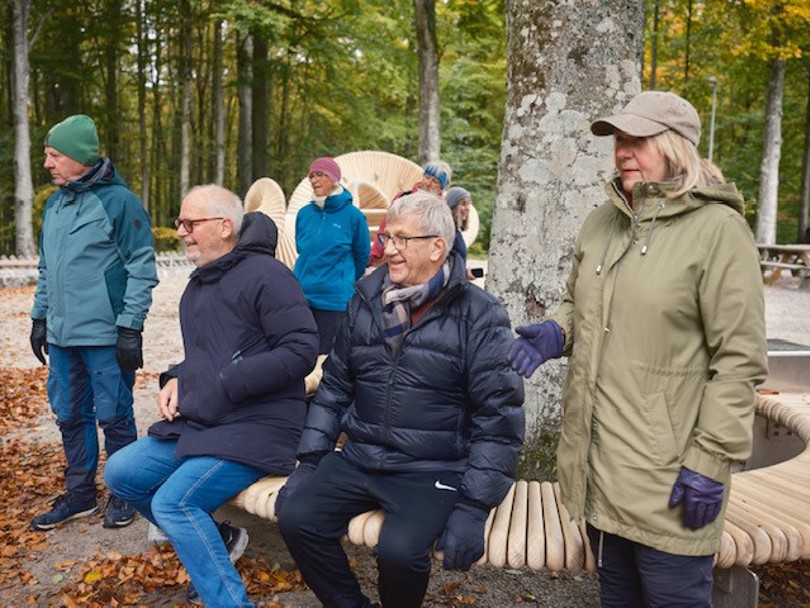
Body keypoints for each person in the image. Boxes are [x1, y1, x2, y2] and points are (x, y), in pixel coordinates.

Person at [507, 91, 768, 607]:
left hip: (670, 480)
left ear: (675, 146)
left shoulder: (718, 232)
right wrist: (559, 331)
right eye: (619, 140)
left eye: (637, 140)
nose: (623, 151)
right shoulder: (603, 223)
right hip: (599, 474)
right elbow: (580, 305)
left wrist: (710, 461)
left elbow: (739, 362)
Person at [277, 191, 524, 608]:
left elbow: (498, 419)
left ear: (436, 247)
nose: (387, 248)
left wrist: (474, 506)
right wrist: (311, 458)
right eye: (387, 237)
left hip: (432, 467)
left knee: (399, 551)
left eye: (401, 239)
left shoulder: (480, 314)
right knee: (297, 520)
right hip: (360, 456)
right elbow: (335, 386)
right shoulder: (366, 300)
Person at [104, 185, 319, 608]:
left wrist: (228, 379)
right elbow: (204, 356)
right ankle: (220, 538)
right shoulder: (200, 285)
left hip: (260, 424)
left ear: (224, 227)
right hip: (209, 419)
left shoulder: (268, 275)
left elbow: (301, 349)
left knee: (175, 502)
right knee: (122, 471)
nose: (181, 231)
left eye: (191, 223)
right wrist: (175, 379)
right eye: (180, 222)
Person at [30, 114, 158, 531]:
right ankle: (81, 495)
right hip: (64, 337)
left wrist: (130, 327)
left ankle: (125, 492)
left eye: (54, 155)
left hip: (105, 335)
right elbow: (47, 268)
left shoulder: (119, 203)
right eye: (47, 154)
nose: (47, 162)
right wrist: (39, 318)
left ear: (79, 157)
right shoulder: (55, 204)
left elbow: (142, 267)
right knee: (68, 413)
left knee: (115, 415)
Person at [293, 157, 370, 354]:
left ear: (335, 179)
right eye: (312, 176)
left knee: (329, 361)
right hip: (302, 299)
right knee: (302, 355)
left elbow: (362, 256)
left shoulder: (354, 216)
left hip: (334, 301)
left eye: (321, 175)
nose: (315, 180)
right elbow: (302, 250)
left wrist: (343, 280)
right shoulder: (304, 214)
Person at [367, 160, 452, 266]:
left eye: (435, 181)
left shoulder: (442, 212)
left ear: (442, 188)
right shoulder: (402, 198)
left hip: (422, 265)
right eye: (426, 177)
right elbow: (384, 230)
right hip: (394, 259)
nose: (428, 183)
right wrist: (373, 256)